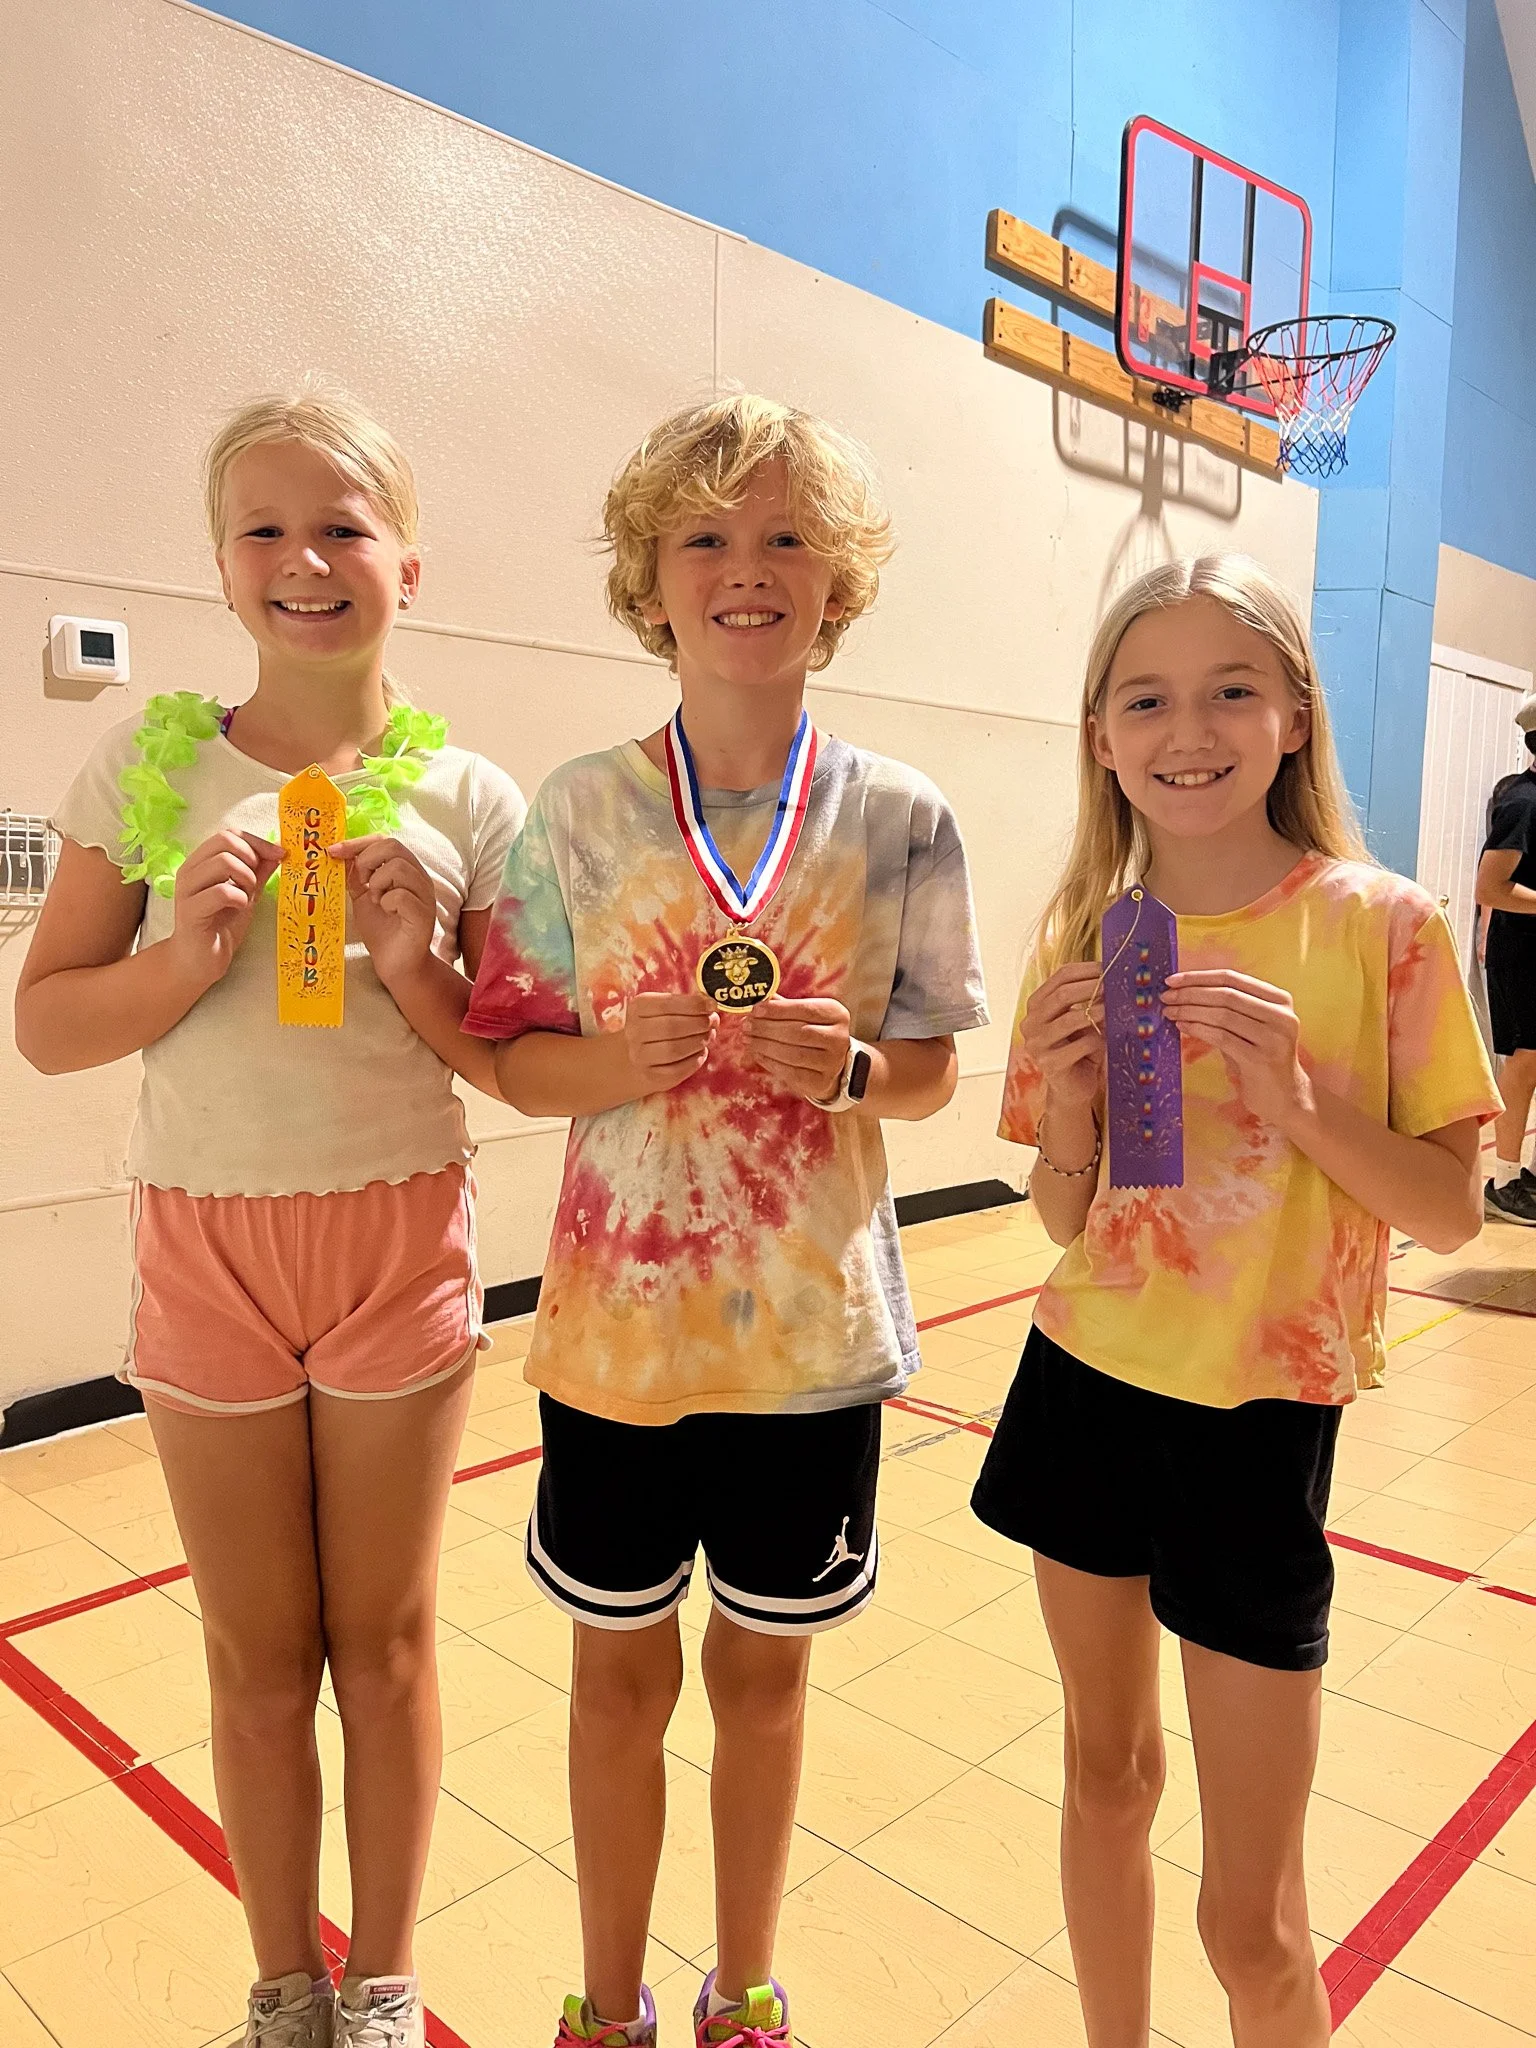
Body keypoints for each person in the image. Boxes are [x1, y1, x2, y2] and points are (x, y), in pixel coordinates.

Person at [461, 395, 988, 2048]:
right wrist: (608, 1055)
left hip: (808, 1350)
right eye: (705, 535)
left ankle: (743, 1988)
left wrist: (858, 1070)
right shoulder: (577, 808)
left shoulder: (900, 813)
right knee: (618, 1681)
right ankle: (605, 2000)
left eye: (784, 539)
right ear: (650, 577)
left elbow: (928, 1077)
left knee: (765, 1685)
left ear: (837, 585)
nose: (745, 568)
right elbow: (516, 1063)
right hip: (618, 1346)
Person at [15, 391, 525, 2048]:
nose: (305, 560)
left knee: (380, 1640)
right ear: (223, 565)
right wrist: (176, 958)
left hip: (392, 1236)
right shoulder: (149, 760)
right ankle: (280, 1988)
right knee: (253, 1651)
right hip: (207, 1247)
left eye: (343, 526)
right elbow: (52, 1021)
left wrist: (416, 963)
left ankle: (380, 1981)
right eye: (263, 529)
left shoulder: (467, 793)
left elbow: (510, 1057)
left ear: (409, 561)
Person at [970, 555, 1499, 2048]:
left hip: (1263, 1429)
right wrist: (1069, 1105)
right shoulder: (1087, 934)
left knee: (1251, 1918)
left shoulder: (1383, 929)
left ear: (1291, 717)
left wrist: (1310, 1105)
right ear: (1101, 736)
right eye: (1146, 698)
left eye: (1227, 692)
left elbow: (1453, 1214)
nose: (1185, 730)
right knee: (1104, 1779)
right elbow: (1068, 1218)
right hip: (1085, 1390)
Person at [1475, 695, 1536, 1222]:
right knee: (1521, 1064)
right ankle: (1504, 1179)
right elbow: (1491, 887)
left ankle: (1525, 1173)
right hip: (1521, 956)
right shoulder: (1523, 802)